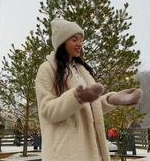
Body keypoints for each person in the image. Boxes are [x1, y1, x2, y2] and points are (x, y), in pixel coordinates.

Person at [35, 18, 143, 161]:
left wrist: (112, 100)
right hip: (65, 153)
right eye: (74, 39)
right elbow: (47, 111)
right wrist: (77, 97)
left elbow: (88, 108)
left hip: (91, 152)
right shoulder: (47, 69)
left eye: (81, 39)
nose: (79, 44)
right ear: (62, 42)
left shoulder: (80, 70)